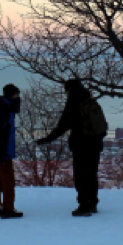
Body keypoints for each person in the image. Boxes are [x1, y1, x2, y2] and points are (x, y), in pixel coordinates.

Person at [37, 79, 109, 217]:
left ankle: (84, 206)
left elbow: (62, 126)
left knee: (80, 175)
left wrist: (47, 139)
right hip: (95, 144)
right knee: (91, 174)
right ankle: (92, 203)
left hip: (81, 144)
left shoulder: (73, 103)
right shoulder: (90, 101)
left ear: (69, 90)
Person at [0, 84, 23, 219]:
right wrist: (2, 154)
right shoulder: (5, 112)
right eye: (16, 95)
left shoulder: (2, 109)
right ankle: (8, 209)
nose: (18, 98)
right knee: (8, 182)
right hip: (2, 153)